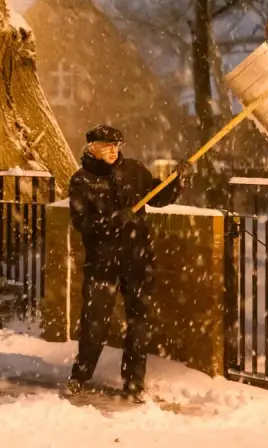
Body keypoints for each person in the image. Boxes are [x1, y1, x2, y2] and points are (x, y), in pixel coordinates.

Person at [65, 124, 184, 402]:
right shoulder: (82, 180)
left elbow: (159, 198)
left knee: (139, 324)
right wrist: (115, 220)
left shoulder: (135, 171)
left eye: (116, 145)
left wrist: (177, 181)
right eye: (106, 145)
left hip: (137, 259)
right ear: (90, 147)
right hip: (102, 263)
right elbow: (83, 223)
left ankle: (133, 383)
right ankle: (80, 376)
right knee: (95, 324)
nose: (112, 150)